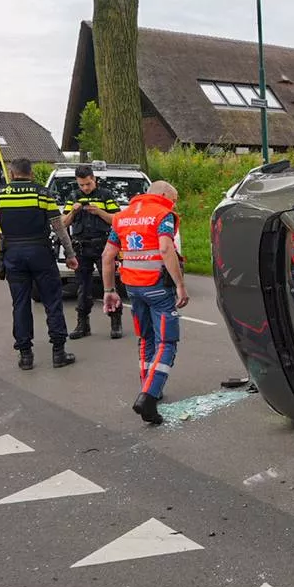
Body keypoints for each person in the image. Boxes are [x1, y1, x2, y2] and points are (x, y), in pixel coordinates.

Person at [0, 158, 80, 370]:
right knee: (52, 302)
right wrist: (70, 254)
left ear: (11, 174)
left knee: (20, 304)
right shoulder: (42, 193)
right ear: (31, 174)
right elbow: (59, 227)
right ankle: (58, 352)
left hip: (13, 253)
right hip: (40, 252)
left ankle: (25, 355)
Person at [102, 180, 189, 425]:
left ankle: (149, 386)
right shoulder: (163, 214)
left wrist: (109, 289)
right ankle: (149, 396)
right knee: (167, 341)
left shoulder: (121, 217)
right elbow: (165, 248)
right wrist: (180, 284)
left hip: (133, 288)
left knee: (146, 338)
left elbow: (108, 255)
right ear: (162, 194)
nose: (174, 203)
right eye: (174, 198)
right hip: (158, 287)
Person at [61, 164, 123, 340]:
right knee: (83, 286)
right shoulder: (73, 196)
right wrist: (73, 211)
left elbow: (117, 219)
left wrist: (99, 212)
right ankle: (83, 324)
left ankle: (115, 321)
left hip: (103, 246)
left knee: (110, 284)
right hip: (81, 247)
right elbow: (63, 223)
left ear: (93, 179)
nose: (85, 188)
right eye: (82, 185)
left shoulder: (106, 195)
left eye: (88, 184)